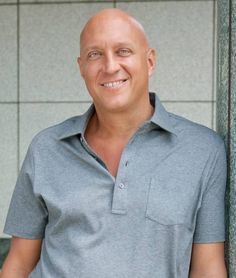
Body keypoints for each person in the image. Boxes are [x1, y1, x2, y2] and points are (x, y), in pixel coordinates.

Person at [1, 8, 227, 278]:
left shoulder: (203, 150)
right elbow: (19, 264)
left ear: (150, 61)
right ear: (82, 67)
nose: (109, 67)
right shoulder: (46, 148)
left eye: (123, 51)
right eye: (94, 54)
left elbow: (207, 268)